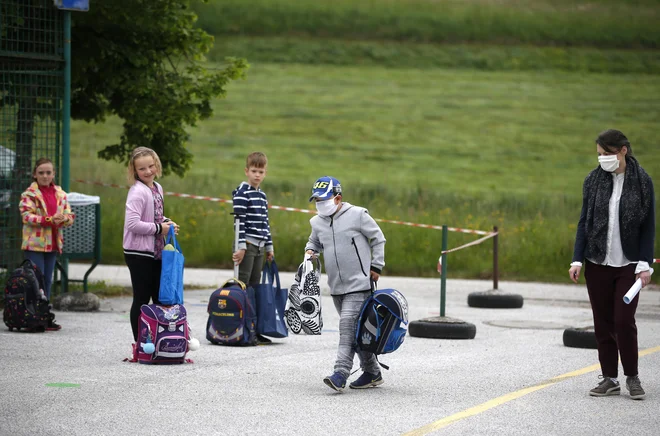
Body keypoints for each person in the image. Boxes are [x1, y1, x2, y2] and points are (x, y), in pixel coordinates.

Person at [569, 129, 655, 400]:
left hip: (628, 264)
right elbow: (584, 222)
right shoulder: (592, 181)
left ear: (623, 151)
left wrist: (644, 264)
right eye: (599, 154)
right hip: (597, 262)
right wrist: (577, 259)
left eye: (607, 154)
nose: (602, 159)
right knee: (603, 322)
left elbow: (648, 227)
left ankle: (632, 377)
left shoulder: (643, 182)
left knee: (623, 320)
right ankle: (609, 378)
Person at [304, 176, 387, 391]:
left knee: (347, 327)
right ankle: (372, 372)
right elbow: (314, 241)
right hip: (336, 287)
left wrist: (376, 266)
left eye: (323, 200)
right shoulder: (317, 222)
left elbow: (378, 238)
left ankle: (340, 373)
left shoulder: (358, 215)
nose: (319, 205)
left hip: (359, 285)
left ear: (338, 198)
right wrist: (310, 251)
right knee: (356, 332)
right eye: (316, 201)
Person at [123, 147, 179, 360]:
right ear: (135, 171)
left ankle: (157, 340)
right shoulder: (137, 192)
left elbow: (155, 215)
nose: (147, 171)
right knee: (142, 298)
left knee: (159, 297)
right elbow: (132, 224)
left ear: (157, 164)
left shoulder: (157, 188)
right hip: (138, 252)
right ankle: (139, 345)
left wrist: (167, 223)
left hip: (156, 251)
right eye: (142, 168)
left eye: (150, 166)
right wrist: (159, 229)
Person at [19, 157, 75, 330]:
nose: (45, 176)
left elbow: (69, 216)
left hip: (52, 243)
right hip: (35, 244)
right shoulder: (29, 194)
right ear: (35, 174)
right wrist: (49, 219)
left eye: (48, 172)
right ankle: (32, 315)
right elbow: (27, 216)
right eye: (41, 172)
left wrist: (64, 218)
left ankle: (44, 315)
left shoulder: (60, 193)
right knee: (36, 280)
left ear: (54, 174)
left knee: (47, 280)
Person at [231, 152, 274, 344]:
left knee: (255, 288)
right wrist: (241, 246)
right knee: (242, 284)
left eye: (261, 171)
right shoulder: (242, 193)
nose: (257, 175)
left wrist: (269, 246)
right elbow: (239, 221)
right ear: (246, 171)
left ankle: (253, 329)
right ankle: (237, 326)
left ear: (265, 173)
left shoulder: (262, 195)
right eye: (254, 171)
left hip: (259, 246)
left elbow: (265, 223)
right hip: (246, 245)